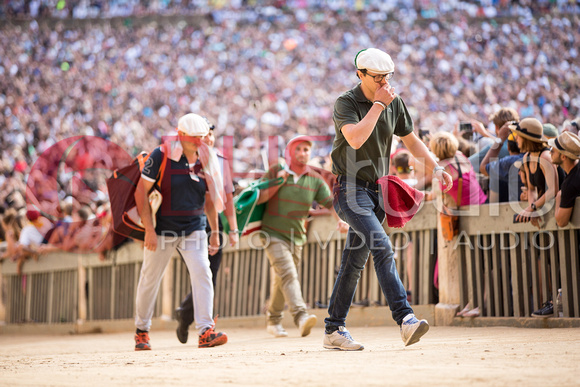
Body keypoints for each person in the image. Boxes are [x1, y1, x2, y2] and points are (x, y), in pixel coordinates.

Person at [324, 48, 453, 350]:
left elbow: (411, 140)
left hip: (376, 191)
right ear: (360, 74)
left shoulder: (393, 103)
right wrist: (379, 106)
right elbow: (355, 137)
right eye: (377, 77)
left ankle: (333, 329)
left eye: (387, 77)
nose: (383, 82)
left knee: (353, 263)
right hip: (349, 188)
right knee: (381, 246)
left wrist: (435, 166)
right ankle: (405, 318)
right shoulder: (347, 102)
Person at [133, 113, 227, 351]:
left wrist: (215, 231)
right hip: (163, 229)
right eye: (195, 137)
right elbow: (140, 193)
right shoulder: (160, 155)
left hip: (195, 227)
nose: (200, 141)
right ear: (181, 135)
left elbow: (209, 199)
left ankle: (205, 330)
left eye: (202, 137)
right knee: (149, 279)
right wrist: (149, 231)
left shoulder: (206, 158)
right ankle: (141, 331)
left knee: (203, 272)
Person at [257, 135, 348, 338]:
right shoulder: (274, 171)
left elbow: (330, 203)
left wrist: (340, 220)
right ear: (289, 152)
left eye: (306, 150)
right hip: (271, 233)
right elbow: (259, 197)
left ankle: (273, 320)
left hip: (297, 236)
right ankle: (301, 316)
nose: (302, 153)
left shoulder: (315, 179)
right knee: (288, 273)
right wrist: (278, 181)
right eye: (298, 149)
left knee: (282, 278)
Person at [174, 118, 239, 344]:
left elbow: (228, 197)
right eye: (204, 135)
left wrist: (232, 229)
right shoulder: (182, 159)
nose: (207, 139)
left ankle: (186, 314)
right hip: (189, 223)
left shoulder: (220, 160)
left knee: (208, 273)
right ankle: (191, 317)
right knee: (202, 272)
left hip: (214, 224)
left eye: (210, 135)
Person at [549, 131, 580, 227]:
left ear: (563, 156)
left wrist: (559, 196)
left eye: (553, 150)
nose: (550, 152)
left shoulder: (569, 184)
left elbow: (561, 222)